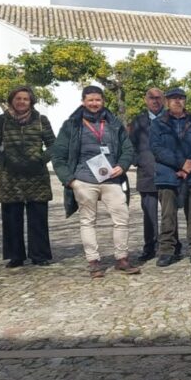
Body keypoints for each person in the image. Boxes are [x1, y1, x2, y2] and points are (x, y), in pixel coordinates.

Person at [51, 85, 141, 278]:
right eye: (90, 100)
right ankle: (93, 261)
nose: (94, 103)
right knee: (88, 221)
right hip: (84, 180)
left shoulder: (114, 123)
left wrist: (123, 165)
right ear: (83, 101)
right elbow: (57, 155)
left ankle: (122, 258)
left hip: (112, 179)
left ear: (103, 101)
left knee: (122, 218)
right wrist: (70, 181)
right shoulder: (72, 125)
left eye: (97, 100)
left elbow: (128, 149)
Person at [0, 85, 55, 268]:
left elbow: (54, 145)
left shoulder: (41, 120)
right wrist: (5, 162)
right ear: (12, 101)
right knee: (11, 217)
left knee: (38, 217)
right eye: (18, 98)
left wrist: (41, 160)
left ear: (31, 101)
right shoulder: (2, 120)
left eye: (25, 99)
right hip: (11, 177)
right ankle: (15, 256)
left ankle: (39, 255)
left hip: (37, 176)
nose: (22, 102)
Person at [150, 87, 191, 266]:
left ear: (185, 101)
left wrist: (189, 165)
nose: (177, 101)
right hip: (167, 175)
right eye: (173, 98)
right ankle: (167, 251)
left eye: (181, 98)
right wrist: (180, 164)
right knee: (168, 216)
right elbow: (157, 149)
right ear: (167, 102)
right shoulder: (158, 123)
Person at [129, 87, 177, 262]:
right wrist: (138, 160)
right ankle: (150, 247)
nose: (155, 101)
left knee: (169, 214)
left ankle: (172, 246)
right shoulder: (138, 121)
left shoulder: (171, 119)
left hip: (168, 174)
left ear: (163, 100)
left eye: (158, 98)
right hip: (146, 174)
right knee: (149, 215)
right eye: (151, 97)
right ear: (145, 100)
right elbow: (130, 145)